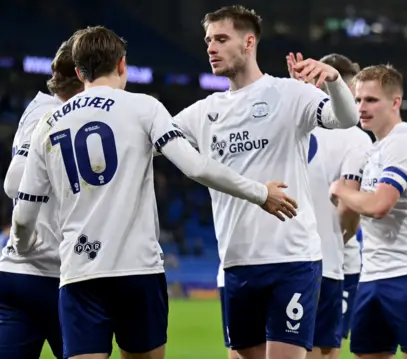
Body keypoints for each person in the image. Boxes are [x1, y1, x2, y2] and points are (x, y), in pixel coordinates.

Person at [10, 25, 296, 359]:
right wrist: (260, 193)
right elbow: (197, 168)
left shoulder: (49, 123)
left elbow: (26, 208)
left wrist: (21, 243)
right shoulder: (144, 107)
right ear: (122, 64)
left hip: (80, 274)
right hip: (138, 271)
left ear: (77, 71)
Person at [172, 6, 359, 359]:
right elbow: (154, 144)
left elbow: (345, 119)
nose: (211, 47)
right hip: (236, 263)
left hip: (291, 258)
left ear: (248, 42)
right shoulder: (202, 112)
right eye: (208, 40)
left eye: (221, 39)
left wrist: (334, 80)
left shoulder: (290, 94)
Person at [331, 65, 407, 359]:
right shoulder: (372, 151)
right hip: (371, 277)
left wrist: (343, 191)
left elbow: (381, 206)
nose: (361, 108)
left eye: (371, 100)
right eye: (357, 100)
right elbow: (350, 223)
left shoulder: (405, 141)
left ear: (395, 102)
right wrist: (349, 187)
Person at [0, 35, 83, 359]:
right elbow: (15, 182)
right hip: (52, 273)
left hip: (20, 273)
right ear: (82, 75)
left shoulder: (40, 108)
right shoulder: (50, 114)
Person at [287, 52, 370, 359]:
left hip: (284, 254)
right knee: (325, 349)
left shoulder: (293, 126)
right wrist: (339, 235)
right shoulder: (356, 138)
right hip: (331, 262)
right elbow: (349, 207)